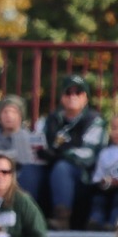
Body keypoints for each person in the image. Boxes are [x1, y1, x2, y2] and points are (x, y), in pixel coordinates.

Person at [34, 74, 107, 225]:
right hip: (52, 171)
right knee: (30, 170)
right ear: (62, 97)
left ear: (85, 97)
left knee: (62, 168)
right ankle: (28, 220)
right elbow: (40, 143)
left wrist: (59, 155)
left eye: (78, 92)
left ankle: (62, 218)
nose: (72, 96)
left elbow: (88, 155)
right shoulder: (52, 119)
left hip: (83, 178)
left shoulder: (94, 120)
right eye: (68, 92)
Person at [0, 97, 42, 193]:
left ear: (21, 116)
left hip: (24, 186)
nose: (9, 115)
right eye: (5, 112)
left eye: (14, 112)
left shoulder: (31, 139)